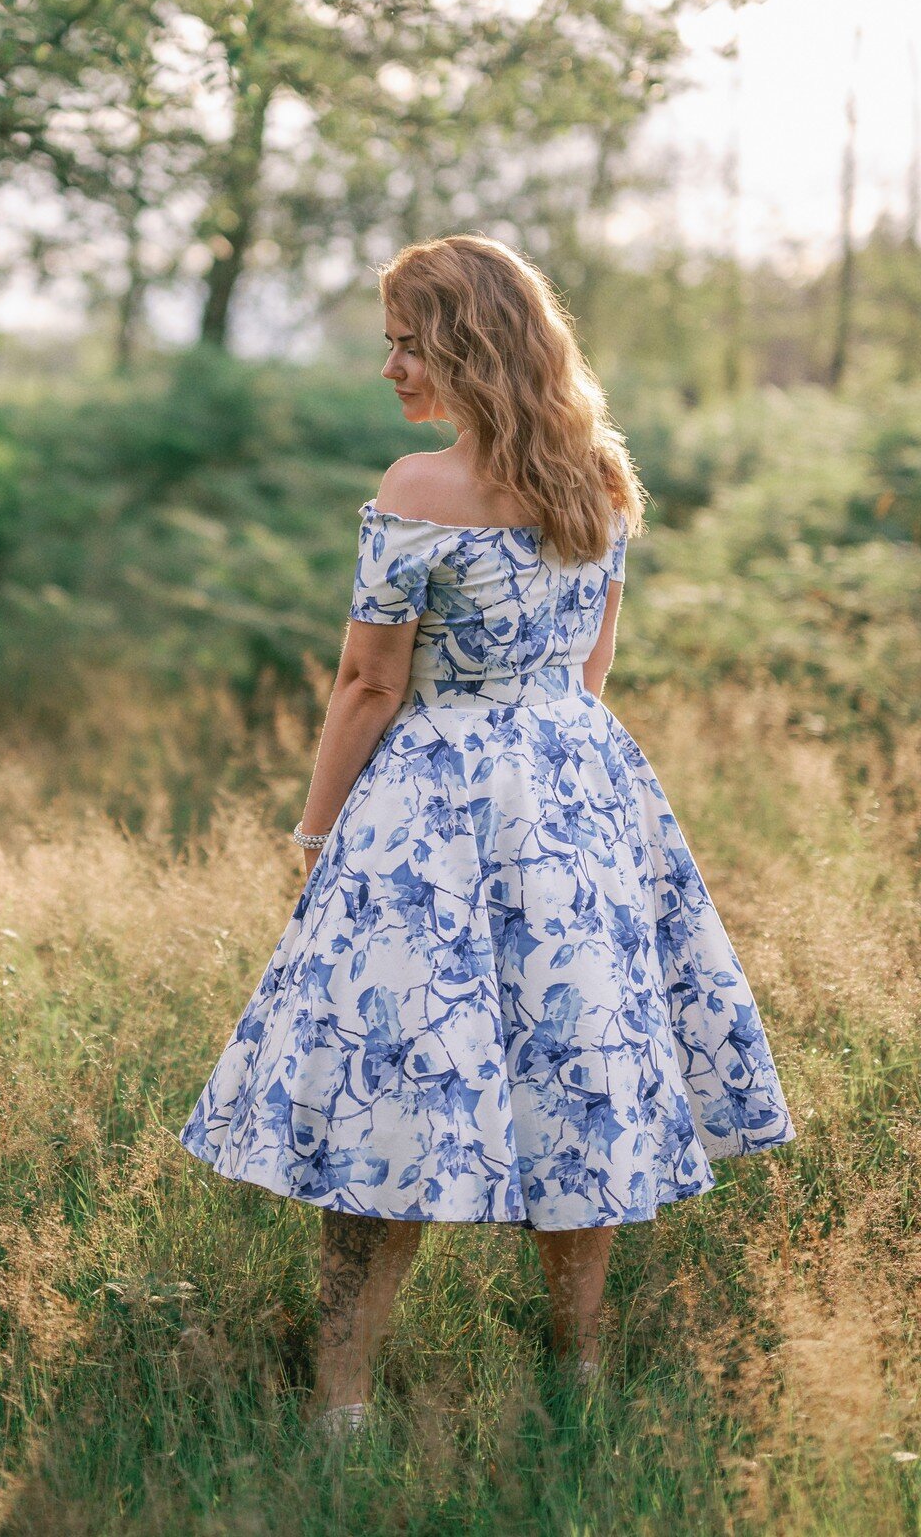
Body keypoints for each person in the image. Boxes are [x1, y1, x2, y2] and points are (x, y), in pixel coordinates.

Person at [176, 234, 795, 1436]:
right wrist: (556, 778)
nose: (393, 366)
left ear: (469, 343)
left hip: (435, 802)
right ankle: (579, 1379)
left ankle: (344, 1407)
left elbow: (366, 684)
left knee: (391, 1075)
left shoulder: (418, 491)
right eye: (391, 343)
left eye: (410, 341)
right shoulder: (603, 482)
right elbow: (593, 670)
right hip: (577, 791)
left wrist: (315, 837)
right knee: (581, 1068)